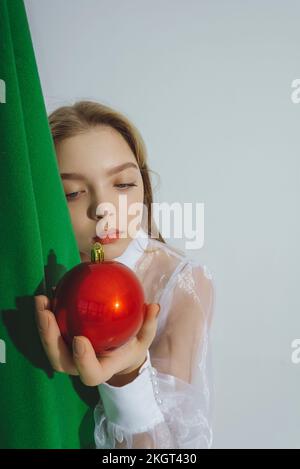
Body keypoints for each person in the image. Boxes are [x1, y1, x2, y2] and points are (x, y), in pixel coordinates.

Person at [34, 101, 215, 449]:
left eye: (123, 184)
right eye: (72, 193)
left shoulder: (182, 284)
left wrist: (127, 375)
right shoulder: (39, 278)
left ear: (144, 185)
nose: (103, 208)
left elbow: (173, 451)